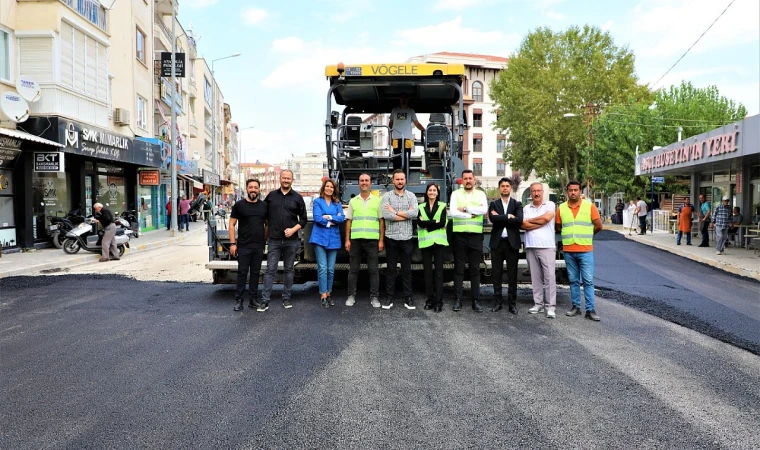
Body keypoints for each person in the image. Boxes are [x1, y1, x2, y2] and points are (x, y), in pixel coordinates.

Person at [555, 180, 603, 321]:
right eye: (571, 190)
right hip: (569, 250)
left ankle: (590, 309)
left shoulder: (590, 207)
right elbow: (558, 227)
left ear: (580, 192)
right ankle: (576, 306)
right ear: (567, 192)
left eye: (576, 190)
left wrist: (588, 236)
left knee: (588, 281)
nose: (573, 192)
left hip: (585, 250)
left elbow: (599, 226)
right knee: (573, 280)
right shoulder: (561, 209)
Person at [260, 170, 307, 311]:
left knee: (289, 270)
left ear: (292, 180)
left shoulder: (298, 198)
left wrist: (293, 229)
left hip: (291, 241)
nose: (286, 180)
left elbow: (303, 219)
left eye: (289, 178)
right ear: (280, 179)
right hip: (273, 240)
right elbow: (262, 213)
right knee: (270, 270)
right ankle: (265, 300)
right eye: (284, 178)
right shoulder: (271, 196)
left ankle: (286, 299)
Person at [449, 169, 489, 313]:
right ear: (462, 180)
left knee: (475, 270)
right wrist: (471, 214)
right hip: (459, 236)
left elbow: (484, 210)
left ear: (474, 180)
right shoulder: (455, 194)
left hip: (475, 236)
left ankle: (475, 301)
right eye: (465, 178)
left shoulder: (481, 194)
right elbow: (453, 212)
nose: (467, 181)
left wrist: (465, 209)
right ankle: (458, 300)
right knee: (458, 269)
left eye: (470, 178)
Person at [345, 173, 385, 308]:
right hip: (356, 240)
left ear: (370, 183)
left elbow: (381, 222)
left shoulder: (378, 200)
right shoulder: (353, 201)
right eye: (361, 180)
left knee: (373, 270)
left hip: (372, 241)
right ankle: (351, 295)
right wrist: (347, 240)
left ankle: (374, 297)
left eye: (366, 180)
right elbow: (348, 221)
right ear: (358, 183)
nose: (364, 183)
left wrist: (381, 241)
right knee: (353, 270)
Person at [380, 169, 418, 310]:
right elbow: (386, 215)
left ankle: (408, 297)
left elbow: (414, 213)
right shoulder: (387, 197)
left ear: (405, 180)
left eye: (402, 179)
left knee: (407, 270)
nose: (400, 181)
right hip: (391, 238)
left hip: (406, 238)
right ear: (393, 181)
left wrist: (395, 211)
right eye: (397, 179)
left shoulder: (411, 196)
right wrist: (405, 214)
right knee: (391, 270)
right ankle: (389, 297)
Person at [229, 179, 268, 312]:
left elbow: (267, 225)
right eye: (250, 187)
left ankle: (252, 300)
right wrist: (233, 243)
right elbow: (231, 224)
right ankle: (239, 301)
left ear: (259, 190)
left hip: (258, 246)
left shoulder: (264, 206)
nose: (253, 190)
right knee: (242, 273)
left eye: (255, 187)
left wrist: (264, 240)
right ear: (247, 189)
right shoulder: (239, 205)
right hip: (243, 245)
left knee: (256, 273)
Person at [521, 182, 557, 318]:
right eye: (533, 191)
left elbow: (547, 218)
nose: (536, 193)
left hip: (546, 245)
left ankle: (550, 307)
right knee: (535, 278)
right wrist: (539, 221)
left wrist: (530, 221)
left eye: (538, 191)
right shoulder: (526, 207)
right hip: (531, 246)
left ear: (542, 192)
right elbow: (523, 224)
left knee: (549, 277)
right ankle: (538, 304)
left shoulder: (550, 205)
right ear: (530, 193)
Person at [487, 177, 523, 314]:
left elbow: (519, 221)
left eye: (507, 186)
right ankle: (497, 302)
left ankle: (512, 304)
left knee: (512, 275)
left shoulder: (517, 204)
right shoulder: (494, 204)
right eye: (503, 186)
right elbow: (492, 218)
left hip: (511, 243)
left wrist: (501, 217)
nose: (505, 188)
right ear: (499, 188)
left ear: (510, 188)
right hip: (497, 243)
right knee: (496, 274)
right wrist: (509, 217)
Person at [310, 179, 345, 308]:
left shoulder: (337, 203)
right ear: (323, 188)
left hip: (333, 239)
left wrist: (329, 217)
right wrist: (333, 220)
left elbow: (341, 218)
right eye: (327, 186)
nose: (329, 188)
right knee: (323, 268)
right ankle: (323, 295)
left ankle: (329, 293)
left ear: (334, 189)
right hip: (319, 238)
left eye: (331, 187)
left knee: (330, 269)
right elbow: (318, 218)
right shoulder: (317, 202)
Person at [417, 182, 448, 313]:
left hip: (439, 243)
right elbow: (419, 223)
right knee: (428, 273)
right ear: (426, 192)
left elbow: (442, 223)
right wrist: (433, 223)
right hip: (426, 244)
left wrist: (427, 223)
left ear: (437, 193)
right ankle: (430, 300)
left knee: (439, 273)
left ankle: (439, 302)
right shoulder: (421, 206)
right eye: (430, 190)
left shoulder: (442, 206)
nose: (432, 192)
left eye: (434, 190)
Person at [389, 93, 425, 170]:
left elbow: (417, 123)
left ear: (408, 99)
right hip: (396, 137)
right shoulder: (394, 110)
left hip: (407, 138)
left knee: (407, 156)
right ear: (400, 99)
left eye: (405, 98)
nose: (403, 100)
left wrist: (424, 130)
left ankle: (405, 175)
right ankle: (396, 175)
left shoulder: (411, 111)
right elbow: (390, 124)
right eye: (402, 98)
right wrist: (390, 136)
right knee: (396, 157)